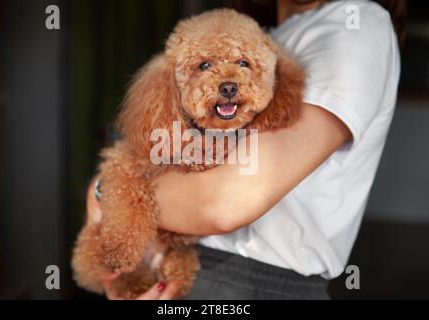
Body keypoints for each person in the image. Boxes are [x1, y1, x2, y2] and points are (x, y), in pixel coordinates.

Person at [86, 0, 404, 299]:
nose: (227, 81)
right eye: (206, 65)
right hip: (170, 271)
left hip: (248, 283)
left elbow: (223, 204)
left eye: (242, 64)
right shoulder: (267, 34)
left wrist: (110, 191)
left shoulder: (357, 23)